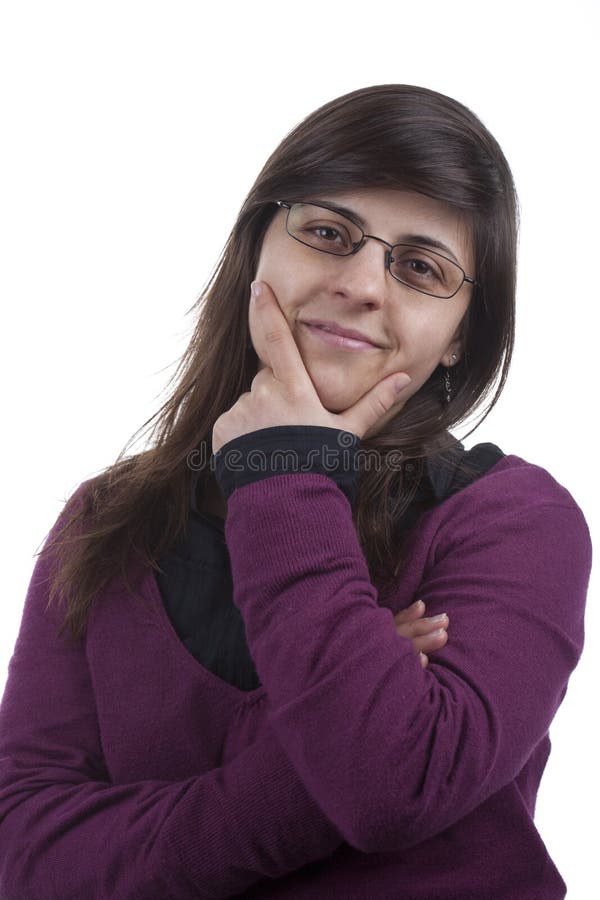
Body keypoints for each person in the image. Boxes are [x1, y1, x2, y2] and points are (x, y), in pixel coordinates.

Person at [0, 84, 591, 899]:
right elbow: (25, 856)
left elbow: (392, 787)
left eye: (421, 268)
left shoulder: (516, 522)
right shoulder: (108, 524)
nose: (362, 284)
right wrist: (307, 749)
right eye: (327, 233)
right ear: (256, 250)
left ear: (461, 339)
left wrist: (283, 472)